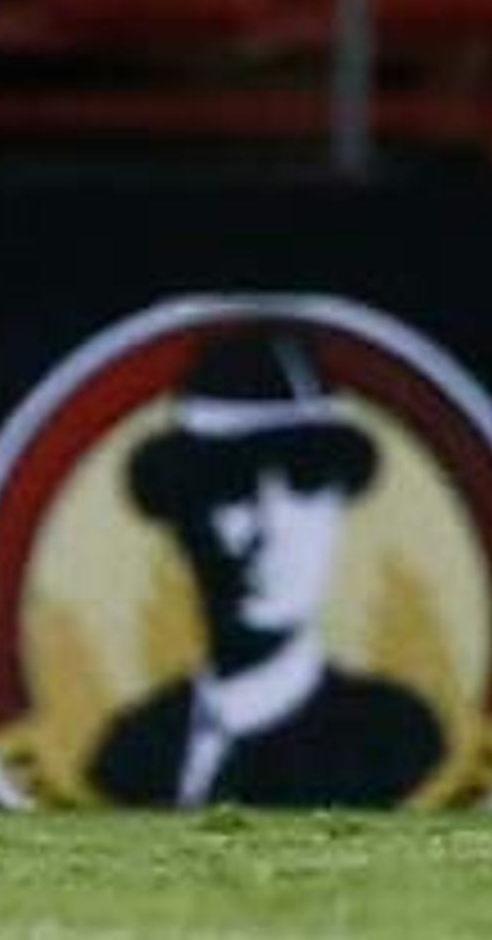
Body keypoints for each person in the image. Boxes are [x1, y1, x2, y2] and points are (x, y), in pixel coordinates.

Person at [86, 324, 447, 808]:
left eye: (305, 480)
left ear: (338, 510)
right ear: (183, 517)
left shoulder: (395, 739)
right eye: (232, 483)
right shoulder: (131, 751)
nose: (270, 528)